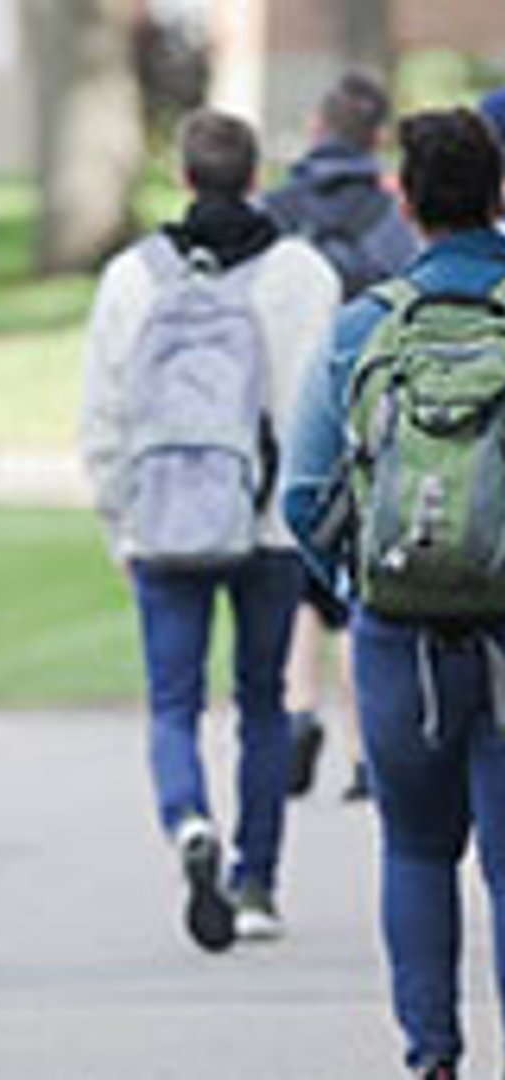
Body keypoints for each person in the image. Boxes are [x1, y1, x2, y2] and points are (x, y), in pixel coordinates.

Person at [78, 108, 339, 953]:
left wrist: (120, 520)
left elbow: (102, 415)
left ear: (184, 178)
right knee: (263, 702)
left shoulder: (132, 278)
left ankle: (188, 818)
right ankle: (256, 881)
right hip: (269, 525)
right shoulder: (303, 274)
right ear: (257, 176)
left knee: (173, 703)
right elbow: (324, 409)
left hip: (165, 518)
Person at [284, 106, 505, 1080]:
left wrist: (361, 583)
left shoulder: (363, 327)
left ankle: (433, 1057)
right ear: (500, 197)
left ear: (405, 203)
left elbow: (302, 495)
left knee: (416, 850)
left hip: (397, 632)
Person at [261, 70, 418, 803]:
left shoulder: (279, 209)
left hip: (292, 406)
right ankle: (363, 751)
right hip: (376, 411)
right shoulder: (390, 216)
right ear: (379, 136)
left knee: (299, 572)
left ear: (318, 128)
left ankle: (298, 708)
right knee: (361, 584)